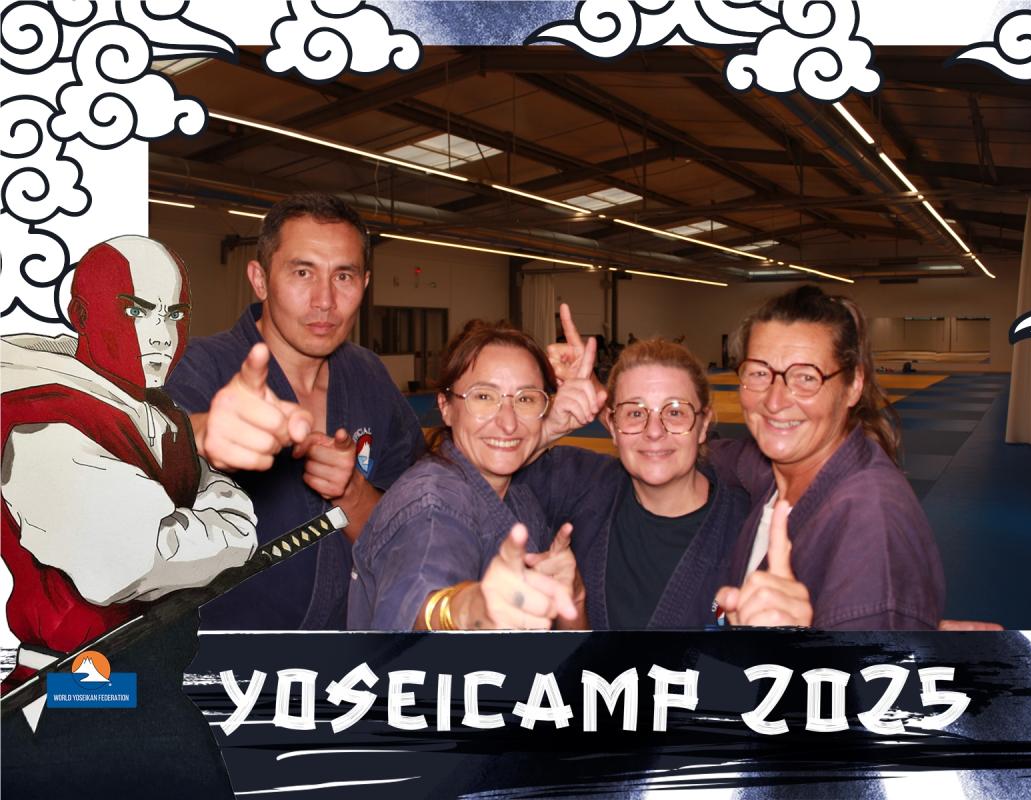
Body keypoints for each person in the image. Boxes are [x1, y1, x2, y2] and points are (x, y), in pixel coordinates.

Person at [2, 235, 256, 795]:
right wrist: (229, 525)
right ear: (82, 315)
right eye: (137, 311)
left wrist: (211, 516)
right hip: (78, 689)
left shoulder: (152, 410)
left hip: (144, 683)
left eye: (174, 314)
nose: (161, 335)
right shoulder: (42, 418)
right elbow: (138, 559)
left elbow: (208, 495)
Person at [166, 192, 422, 629]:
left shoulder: (369, 376)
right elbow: (124, 459)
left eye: (343, 276)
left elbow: (408, 530)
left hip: (346, 649)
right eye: (303, 272)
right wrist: (197, 435)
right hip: (220, 655)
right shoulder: (197, 368)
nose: (325, 300)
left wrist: (353, 492)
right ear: (260, 279)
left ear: (363, 284)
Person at [527, 306, 812, 629]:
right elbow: (486, 471)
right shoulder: (581, 487)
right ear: (612, 426)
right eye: (635, 413)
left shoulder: (749, 531)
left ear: (703, 425)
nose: (654, 431)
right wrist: (549, 429)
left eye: (675, 412)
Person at [711, 285, 945, 630]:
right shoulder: (776, 470)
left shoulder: (871, 530)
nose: (774, 401)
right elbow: (724, 456)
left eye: (806, 377)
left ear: (853, 386)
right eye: (759, 373)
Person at [348, 321, 601, 631]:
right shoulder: (432, 507)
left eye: (525, 399)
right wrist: (467, 610)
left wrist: (573, 599)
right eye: (483, 397)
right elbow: (419, 597)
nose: (508, 422)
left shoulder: (515, 493)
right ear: (445, 407)